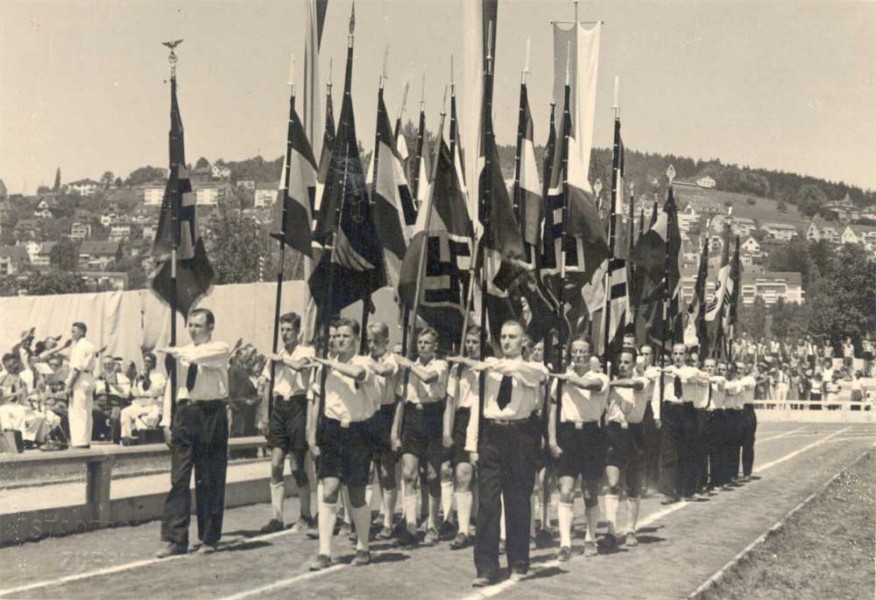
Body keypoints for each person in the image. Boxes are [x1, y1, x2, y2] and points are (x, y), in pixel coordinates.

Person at [465, 321, 548, 586]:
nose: (506, 341)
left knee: (517, 501)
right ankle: (487, 567)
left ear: (524, 341)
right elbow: (478, 407)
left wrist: (495, 364)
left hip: (520, 436)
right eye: (502, 336)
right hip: (492, 435)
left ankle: (518, 562)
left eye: (513, 337)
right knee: (488, 503)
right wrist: (472, 445)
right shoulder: (489, 370)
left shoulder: (533, 368)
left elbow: (532, 373)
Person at [156, 309, 232, 557]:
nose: (193, 329)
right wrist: (166, 421)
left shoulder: (219, 349)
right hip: (185, 414)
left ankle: (209, 536)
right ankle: (175, 538)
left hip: (211, 414)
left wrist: (174, 351)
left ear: (211, 326)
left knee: (209, 477)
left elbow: (199, 356)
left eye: (199, 325)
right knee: (179, 478)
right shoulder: (183, 354)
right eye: (190, 325)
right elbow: (173, 386)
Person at [307, 318, 379, 571]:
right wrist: (311, 435)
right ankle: (324, 552)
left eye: (345, 336)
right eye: (336, 336)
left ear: (356, 340)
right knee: (329, 489)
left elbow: (359, 374)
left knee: (357, 494)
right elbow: (316, 400)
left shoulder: (364, 362)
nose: (339, 340)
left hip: (358, 433)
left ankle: (363, 546)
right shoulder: (323, 368)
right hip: (332, 432)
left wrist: (330, 362)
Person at [548, 337, 609, 560]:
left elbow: (590, 386)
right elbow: (552, 410)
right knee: (565, 490)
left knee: (590, 492)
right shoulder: (561, 380)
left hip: (592, 435)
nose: (579, 355)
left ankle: (590, 539)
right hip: (568, 435)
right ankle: (565, 544)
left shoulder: (600, 377)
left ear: (590, 354)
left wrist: (569, 379)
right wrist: (553, 440)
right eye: (575, 351)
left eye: (583, 351)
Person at [258, 312, 317, 534]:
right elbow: (266, 385)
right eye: (282, 330)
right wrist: (265, 415)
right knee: (275, 464)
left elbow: (301, 367)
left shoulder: (306, 352)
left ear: (298, 331)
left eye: (289, 330)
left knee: (296, 466)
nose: (284, 334)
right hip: (279, 409)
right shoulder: (276, 357)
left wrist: (281, 360)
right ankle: (276, 516)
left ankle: (305, 514)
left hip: (299, 407)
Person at [606, 348, 649, 547]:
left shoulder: (642, 381)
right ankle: (611, 530)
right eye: (620, 362)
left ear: (634, 365)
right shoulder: (609, 384)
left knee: (633, 483)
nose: (623, 366)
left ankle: (631, 529)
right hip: (615, 433)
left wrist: (611, 382)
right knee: (613, 482)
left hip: (634, 433)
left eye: (627, 362)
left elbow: (633, 383)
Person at [444, 326, 482, 550]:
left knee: (483, 474)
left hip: (485, 420)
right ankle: (462, 530)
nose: (470, 346)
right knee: (462, 474)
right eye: (467, 341)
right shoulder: (457, 370)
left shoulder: (488, 367)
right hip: (462, 419)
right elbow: (450, 402)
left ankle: (483, 524)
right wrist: (447, 431)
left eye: (475, 342)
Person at [364, 321, 402, 540]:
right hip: (367, 414)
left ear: (385, 341)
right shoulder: (366, 358)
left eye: (375, 341)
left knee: (386, 472)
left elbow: (384, 371)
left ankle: (388, 520)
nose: (371, 345)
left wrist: (366, 366)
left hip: (385, 415)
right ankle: (368, 519)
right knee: (369, 470)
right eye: (369, 341)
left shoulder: (391, 360)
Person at [120, 353, 166, 445]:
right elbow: (133, 392)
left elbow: (155, 391)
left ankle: (144, 438)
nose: (146, 364)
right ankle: (127, 437)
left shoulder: (159, 376)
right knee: (125, 412)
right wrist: (135, 382)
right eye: (145, 361)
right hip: (139, 403)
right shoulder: (139, 376)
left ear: (154, 363)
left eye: (149, 361)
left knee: (149, 420)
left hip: (152, 404)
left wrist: (146, 377)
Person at [64, 322, 97, 448]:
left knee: (78, 411)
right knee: (87, 411)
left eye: (74, 331)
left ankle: (79, 442)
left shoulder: (80, 346)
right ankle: (86, 440)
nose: (72, 334)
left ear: (82, 332)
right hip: (88, 378)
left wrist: (69, 386)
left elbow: (77, 368)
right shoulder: (90, 345)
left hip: (80, 379)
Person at [726, 362, 757, 482]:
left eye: (741, 368)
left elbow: (745, 384)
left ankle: (747, 472)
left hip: (747, 412)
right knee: (734, 444)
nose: (738, 371)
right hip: (736, 412)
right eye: (737, 368)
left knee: (748, 443)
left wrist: (733, 384)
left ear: (745, 370)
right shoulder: (732, 381)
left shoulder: (749, 379)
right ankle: (733, 473)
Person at [93, 355, 131, 443]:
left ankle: (113, 438)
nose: (107, 366)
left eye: (109, 364)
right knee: (89, 410)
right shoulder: (98, 378)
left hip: (114, 404)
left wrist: (113, 384)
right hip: (100, 404)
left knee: (115, 416)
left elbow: (126, 395)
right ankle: (95, 436)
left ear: (114, 365)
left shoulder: (121, 378)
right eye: (105, 364)